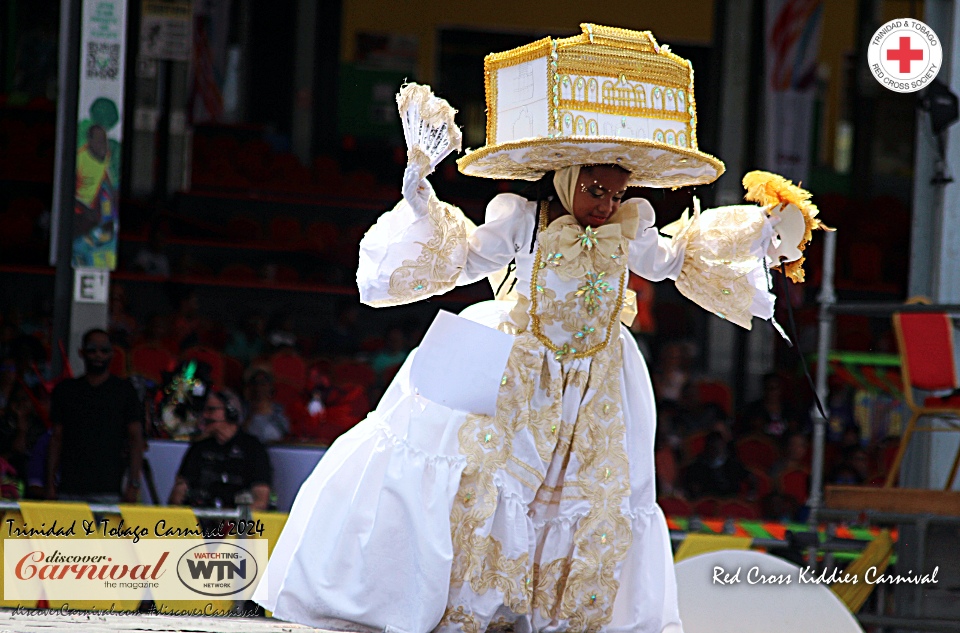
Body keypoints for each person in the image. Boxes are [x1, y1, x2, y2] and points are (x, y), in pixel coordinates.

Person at [255, 24, 827, 633]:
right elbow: (464, 257)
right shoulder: (519, 219)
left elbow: (676, 260)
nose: (606, 203)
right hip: (513, 367)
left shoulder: (631, 229)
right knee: (482, 479)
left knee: (586, 497)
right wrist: (420, 199)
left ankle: (558, 615)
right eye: (596, 190)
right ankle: (464, 605)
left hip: (595, 385)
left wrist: (759, 236)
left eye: (616, 192)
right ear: (566, 179)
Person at [46, 328, 144, 504]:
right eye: (92, 350)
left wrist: (133, 484)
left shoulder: (124, 391)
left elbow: (136, 439)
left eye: (104, 350)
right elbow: (56, 437)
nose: (98, 355)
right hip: (70, 488)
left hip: (110, 488)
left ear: (112, 354)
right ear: (81, 353)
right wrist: (51, 483)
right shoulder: (66, 390)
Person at [168, 389, 272, 510]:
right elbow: (178, 495)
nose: (205, 415)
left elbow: (260, 499)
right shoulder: (198, 448)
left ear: (231, 412)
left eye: (211, 410)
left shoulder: (253, 448)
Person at [243, 367, 290, 444]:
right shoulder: (243, 410)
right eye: (255, 383)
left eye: (263, 383)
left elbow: (286, 434)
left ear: (270, 387)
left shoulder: (279, 410)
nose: (259, 388)